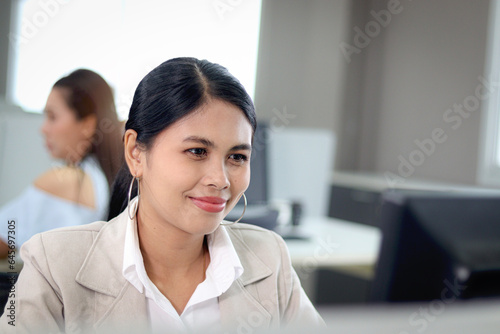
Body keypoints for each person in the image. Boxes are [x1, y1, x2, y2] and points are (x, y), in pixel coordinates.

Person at [0, 58, 324, 333]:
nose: (221, 180)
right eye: (197, 151)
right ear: (135, 154)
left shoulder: (270, 257)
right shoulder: (52, 263)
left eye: (237, 157)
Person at [0, 69, 123, 258]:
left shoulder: (65, 179)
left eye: (52, 116)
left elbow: (5, 237)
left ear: (87, 125)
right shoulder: (104, 178)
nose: (43, 129)